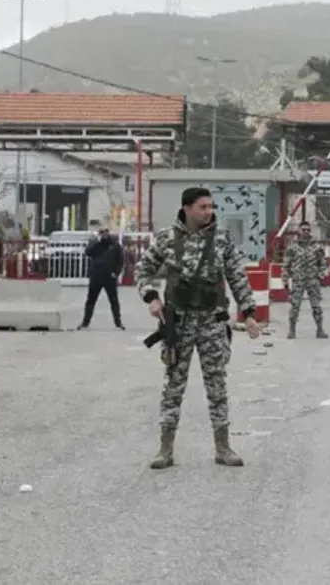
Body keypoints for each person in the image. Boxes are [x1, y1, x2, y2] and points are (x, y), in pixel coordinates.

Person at [135, 186, 261, 470]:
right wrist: (151, 297)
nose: (208, 212)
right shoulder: (167, 238)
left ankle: (223, 447)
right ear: (187, 208)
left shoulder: (221, 239)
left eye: (210, 206)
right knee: (173, 385)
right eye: (203, 207)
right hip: (178, 322)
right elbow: (142, 269)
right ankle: (165, 449)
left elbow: (237, 276)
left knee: (217, 384)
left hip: (212, 320)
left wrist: (249, 313)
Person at [284, 221, 328, 339]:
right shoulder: (293, 246)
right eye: (303, 230)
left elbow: (323, 262)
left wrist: (320, 275)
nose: (306, 232)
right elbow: (286, 264)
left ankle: (320, 329)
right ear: (299, 231)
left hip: (312, 280)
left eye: (308, 230)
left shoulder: (316, 246)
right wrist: (285, 279)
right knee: (295, 306)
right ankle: (292, 330)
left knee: (316, 306)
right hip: (298, 280)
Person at [78, 226, 124, 330]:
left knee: (114, 300)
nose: (104, 234)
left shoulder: (114, 244)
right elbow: (88, 252)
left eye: (105, 232)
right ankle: (85, 323)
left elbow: (120, 260)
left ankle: (118, 323)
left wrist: (116, 273)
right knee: (91, 300)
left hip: (110, 276)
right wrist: (96, 242)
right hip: (96, 276)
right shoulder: (95, 243)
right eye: (101, 232)